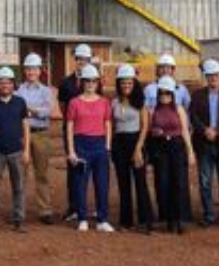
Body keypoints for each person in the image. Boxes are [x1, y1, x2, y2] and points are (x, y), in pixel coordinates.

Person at [188, 59, 219, 227]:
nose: (213, 79)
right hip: (204, 145)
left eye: (216, 75)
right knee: (205, 182)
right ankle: (209, 215)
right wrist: (205, 131)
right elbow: (193, 117)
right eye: (209, 76)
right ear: (206, 77)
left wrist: (217, 131)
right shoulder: (196, 96)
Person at [65, 64, 113, 232]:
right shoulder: (74, 103)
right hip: (81, 144)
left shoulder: (104, 102)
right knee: (80, 184)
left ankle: (102, 219)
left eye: (93, 81)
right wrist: (71, 150)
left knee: (102, 184)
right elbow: (70, 126)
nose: (91, 84)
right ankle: (82, 217)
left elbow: (107, 124)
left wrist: (107, 146)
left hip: (99, 144)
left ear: (98, 82)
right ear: (82, 82)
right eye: (87, 81)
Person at [0, 66, 30, 233]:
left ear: (13, 84)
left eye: (8, 83)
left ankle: (19, 220)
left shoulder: (20, 102)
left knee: (19, 187)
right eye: (1, 83)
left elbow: (25, 126)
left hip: (17, 151)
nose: (5, 86)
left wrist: (27, 150)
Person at [144, 76, 194, 235]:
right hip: (160, 148)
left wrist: (190, 151)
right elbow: (149, 130)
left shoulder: (179, 109)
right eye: (162, 93)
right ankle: (169, 218)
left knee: (179, 182)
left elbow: (185, 130)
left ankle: (181, 219)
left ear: (172, 94)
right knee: (163, 183)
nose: (164, 96)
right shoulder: (153, 111)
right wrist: (154, 132)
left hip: (177, 146)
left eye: (167, 93)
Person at [14, 53, 57, 224]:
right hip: (22, 134)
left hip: (41, 133)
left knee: (42, 174)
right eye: (28, 69)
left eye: (34, 69)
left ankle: (45, 210)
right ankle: (19, 210)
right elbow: (18, 112)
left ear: (40, 71)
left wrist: (29, 109)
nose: (31, 72)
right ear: (25, 70)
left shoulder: (47, 91)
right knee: (20, 174)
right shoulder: (19, 91)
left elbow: (48, 112)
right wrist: (36, 110)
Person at [110, 64, 152, 233]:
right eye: (123, 83)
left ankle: (145, 220)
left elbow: (145, 126)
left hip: (136, 141)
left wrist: (138, 149)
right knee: (123, 183)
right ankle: (126, 221)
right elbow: (112, 126)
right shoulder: (114, 102)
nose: (126, 86)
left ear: (134, 83)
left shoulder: (140, 102)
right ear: (119, 84)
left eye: (129, 83)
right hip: (119, 143)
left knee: (140, 182)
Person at [56, 43, 94, 222]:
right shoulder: (66, 83)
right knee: (73, 168)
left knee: (91, 168)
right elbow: (63, 108)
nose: (82, 62)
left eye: (85, 59)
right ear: (75, 60)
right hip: (72, 131)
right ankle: (73, 207)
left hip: (91, 131)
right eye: (79, 59)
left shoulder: (95, 81)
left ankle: (87, 206)